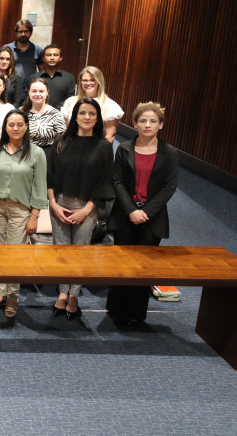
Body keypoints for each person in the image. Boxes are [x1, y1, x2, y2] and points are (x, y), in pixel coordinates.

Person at [107, 102, 178, 324]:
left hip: (152, 216)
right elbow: (117, 181)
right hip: (125, 214)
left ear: (161, 125)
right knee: (122, 264)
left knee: (144, 267)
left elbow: (169, 187)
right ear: (135, 123)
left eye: (153, 121)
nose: (147, 125)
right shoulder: (124, 148)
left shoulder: (169, 153)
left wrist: (145, 212)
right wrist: (131, 210)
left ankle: (136, 314)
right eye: (143, 121)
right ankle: (117, 311)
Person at [48, 98, 114, 320]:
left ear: (97, 118)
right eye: (83, 113)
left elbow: (105, 182)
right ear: (74, 116)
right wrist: (54, 204)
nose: (87, 117)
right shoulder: (60, 141)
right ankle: (62, 291)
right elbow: (50, 177)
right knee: (61, 251)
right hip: (59, 204)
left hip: (87, 206)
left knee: (80, 251)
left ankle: (74, 294)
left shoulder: (103, 146)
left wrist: (86, 210)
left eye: (92, 114)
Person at [0, 110, 47, 318]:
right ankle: (0, 293)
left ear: (26, 126)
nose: (16, 128)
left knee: (15, 255)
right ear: (5, 127)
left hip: (21, 210)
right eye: (11, 124)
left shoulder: (36, 153)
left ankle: (13, 296)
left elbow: (40, 186)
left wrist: (34, 215)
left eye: (20, 124)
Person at [62, 66, 124, 144]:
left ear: (99, 81)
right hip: (72, 146)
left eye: (92, 80)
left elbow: (109, 137)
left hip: (96, 149)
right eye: (85, 80)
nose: (88, 83)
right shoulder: (70, 102)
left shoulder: (110, 105)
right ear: (81, 82)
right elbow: (67, 130)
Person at [21, 78, 66, 159]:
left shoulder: (56, 114)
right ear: (29, 92)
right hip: (24, 154)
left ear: (47, 93)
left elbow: (62, 141)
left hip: (48, 156)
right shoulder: (21, 112)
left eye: (41, 91)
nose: (38, 94)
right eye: (34, 91)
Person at [30, 44, 76, 109]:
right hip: (39, 114)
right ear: (43, 58)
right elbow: (31, 98)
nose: (52, 58)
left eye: (55, 55)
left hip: (61, 115)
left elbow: (70, 100)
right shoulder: (34, 78)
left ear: (61, 58)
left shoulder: (69, 78)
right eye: (49, 55)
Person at [1, 19, 43, 89]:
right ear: (16, 33)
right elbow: (0, 69)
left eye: (26, 31)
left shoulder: (38, 50)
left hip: (30, 88)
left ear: (31, 32)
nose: (23, 34)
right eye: (20, 31)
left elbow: (42, 72)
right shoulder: (7, 48)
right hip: (10, 87)